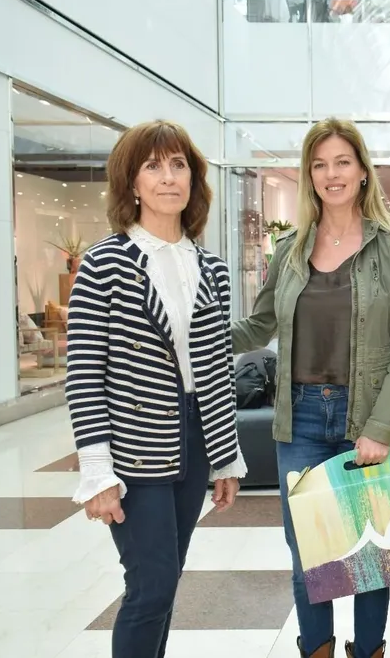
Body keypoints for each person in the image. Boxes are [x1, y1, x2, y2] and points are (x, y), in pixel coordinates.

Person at [231, 118, 390, 658]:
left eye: (342, 162)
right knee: (308, 554)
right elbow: (259, 325)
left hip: (369, 419)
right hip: (303, 420)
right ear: (309, 175)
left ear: (363, 171)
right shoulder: (291, 248)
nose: (331, 174)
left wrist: (381, 428)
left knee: (369, 554)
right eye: (319, 164)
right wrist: (199, 333)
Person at [65, 120, 246, 658]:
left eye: (178, 165)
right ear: (132, 183)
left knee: (165, 584)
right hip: (133, 445)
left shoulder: (212, 268)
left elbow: (214, 368)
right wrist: (96, 469)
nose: (168, 178)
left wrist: (226, 457)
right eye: (153, 166)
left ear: (193, 179)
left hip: (195, 439)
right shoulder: (105, 263)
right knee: (151, 585)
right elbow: (83, 373)